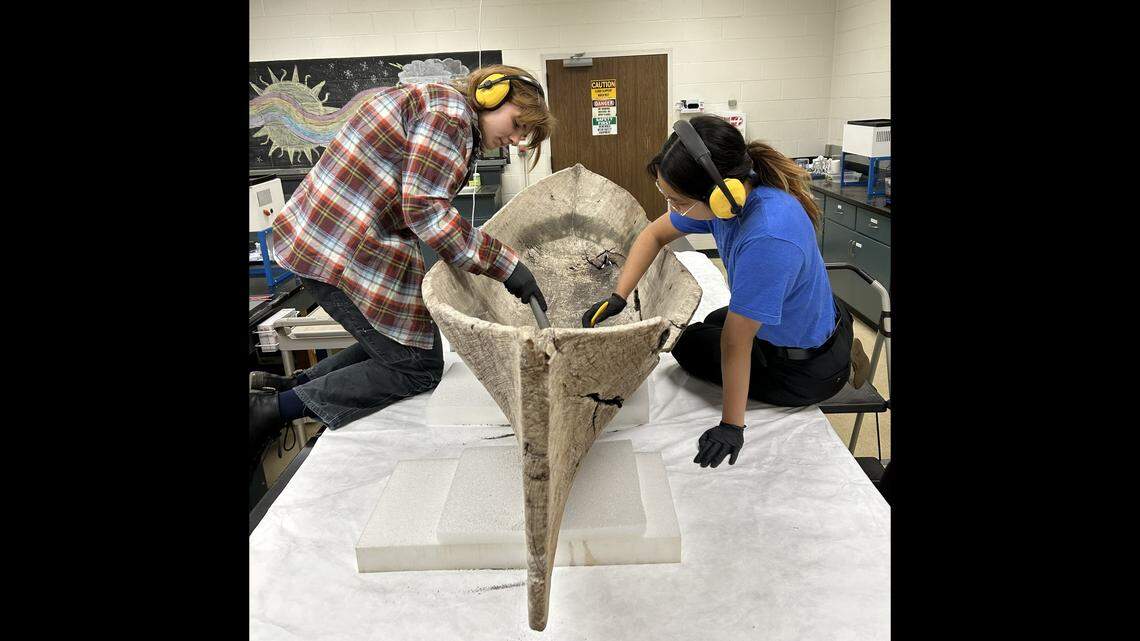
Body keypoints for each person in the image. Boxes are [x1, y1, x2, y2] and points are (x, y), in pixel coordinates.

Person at [249, 64, 556, 477]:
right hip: (338, 248)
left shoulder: (438, 105)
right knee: (417, 367)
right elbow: (425, 210)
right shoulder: (450, 117)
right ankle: (273, 410)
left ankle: (286, 387)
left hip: (327, 239)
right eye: (517, 125)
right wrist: (507, 266)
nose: (516, 140)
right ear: (490, 94)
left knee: (403, 345)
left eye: (524, 135)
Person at [581, 116, 869, 470]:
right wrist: (619, 296)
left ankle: (841, 364)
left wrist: (731, 425)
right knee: (715, 320)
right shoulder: (738, 195)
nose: (674, 208)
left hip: (805, 371)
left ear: (718, 195)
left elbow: (736, 342)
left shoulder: (768, 236)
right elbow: (653, 234)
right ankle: (842, 347)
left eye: (678, 201)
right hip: (818, 320)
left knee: (689, 343)